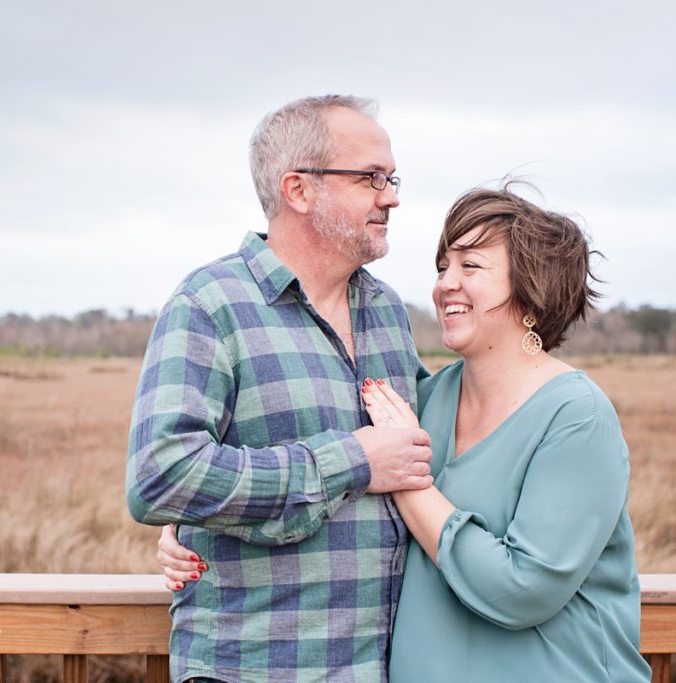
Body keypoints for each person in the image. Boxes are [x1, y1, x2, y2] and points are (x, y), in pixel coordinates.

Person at [159, 185, 652, 681]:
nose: (445, 285)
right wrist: (196, 523)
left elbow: (522, 589)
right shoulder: (424, 401)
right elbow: (343, 481)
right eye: (443, 267)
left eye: (470, 266)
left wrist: (412, 482)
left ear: (532, 288)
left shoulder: (575, 415)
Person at [126, 94, 434, 683]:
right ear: (298, 189)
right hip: (254, 668)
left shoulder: (387, 309)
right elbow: (160, 475)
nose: (391, 195)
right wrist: (354, 459)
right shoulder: (210, 305)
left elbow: (431, 450)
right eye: (371, 177)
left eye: (391, 177)